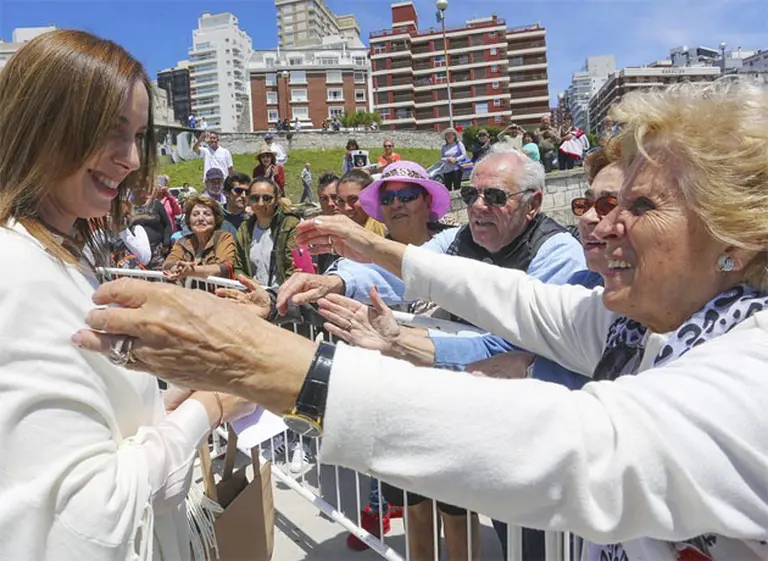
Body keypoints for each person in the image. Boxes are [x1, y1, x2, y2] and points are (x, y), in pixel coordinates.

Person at [81, 82, 768, 561]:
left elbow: (584, 443)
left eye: (640, 207)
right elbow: (519, 300)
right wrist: (375, 249)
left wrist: (265, 362)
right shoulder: (646, 320)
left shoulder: (753, 370)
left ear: (733, 234)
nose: (604, 224)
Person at [0, 29, 255, 561]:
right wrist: (210, 407)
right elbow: (87, 514)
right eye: (112, 131)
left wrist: (177, 396)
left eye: (138, 135)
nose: (132, 158)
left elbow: (89, 430)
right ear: (39, 122)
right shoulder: (17, 269)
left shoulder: (58, 250)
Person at [234, 176, 300, 285]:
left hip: (282, 294)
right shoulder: (245, 229)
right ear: (249, 200)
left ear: (277, 200)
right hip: (252, 294)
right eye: (255, 198)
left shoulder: (289, 225)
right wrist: (249, 282)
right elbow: (238, 267)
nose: (260, 203)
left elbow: (293, 266)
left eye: (267, 198)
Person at [162, 195, 236, 282]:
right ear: (189, 220)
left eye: (207, 214)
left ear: (216, 219)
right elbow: (168, 263)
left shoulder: (223, 238)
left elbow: (226, 267)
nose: (200, 218)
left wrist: (191, 271)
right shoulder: (182, 241)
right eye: (195, 214)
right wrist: (177, 269)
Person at [333, 169, 387, 237]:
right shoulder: (337, 237)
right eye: (341, 201)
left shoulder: (391, 232)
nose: (346, 208)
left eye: (353, 199)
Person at [131, 184, 173, 269]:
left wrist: (166, 242)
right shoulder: (130, 207)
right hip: (135, 250)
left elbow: (167, 225)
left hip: (156, 249)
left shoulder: (156, 205)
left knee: (158, 277)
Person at [316, 172, 342, 274]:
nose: (330, 204)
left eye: (334, 197)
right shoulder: (318, 236)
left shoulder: (363, 230)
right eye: (324, 199)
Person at [220, 172, 250, 236]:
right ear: (226, 193)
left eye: (247, 192)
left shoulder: (251, 221)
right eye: (238, 191)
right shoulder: (214, 217)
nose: (244, 195)